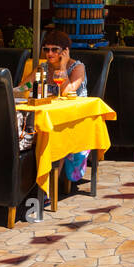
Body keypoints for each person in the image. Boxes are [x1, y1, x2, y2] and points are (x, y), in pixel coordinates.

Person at [40, 30, 90, 181]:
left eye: (54, 49)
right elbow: (25, 86)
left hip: (75, 119)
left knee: (57, 136)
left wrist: (62, 66)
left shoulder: (77, 68)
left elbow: (68, 91)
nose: (50, 53)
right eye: (46, 49)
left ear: (65, 51)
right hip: (51, 115)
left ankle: (51, 187)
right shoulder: (43, 68)